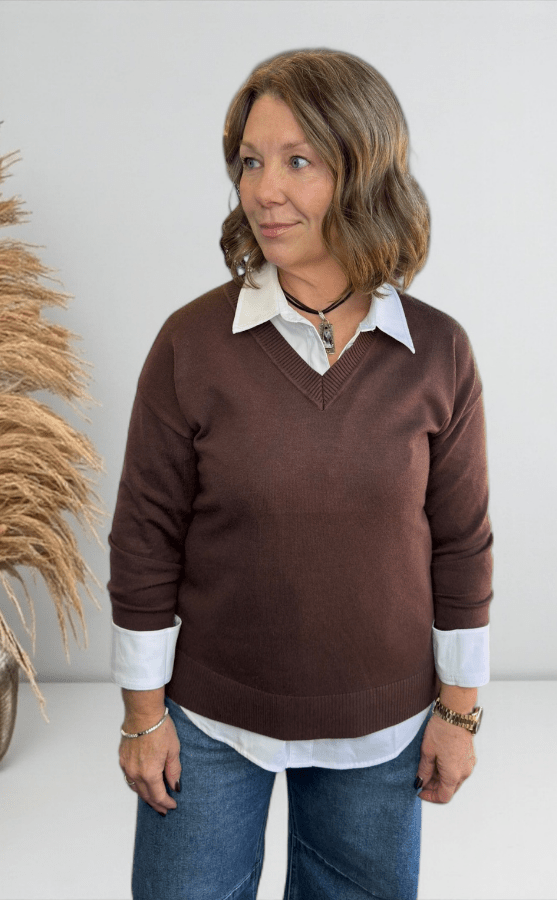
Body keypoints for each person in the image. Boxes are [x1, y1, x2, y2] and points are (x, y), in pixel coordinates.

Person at [109, 47, 493, 900]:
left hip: (382, 731)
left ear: (364, 170)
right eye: (250, 161)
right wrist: (143, 716)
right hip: (206, 725)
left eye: (298, 161)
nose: (263, 189)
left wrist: (458, 713)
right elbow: (144, 536)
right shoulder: (190, 345)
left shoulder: (439, 352)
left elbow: (462, 546)